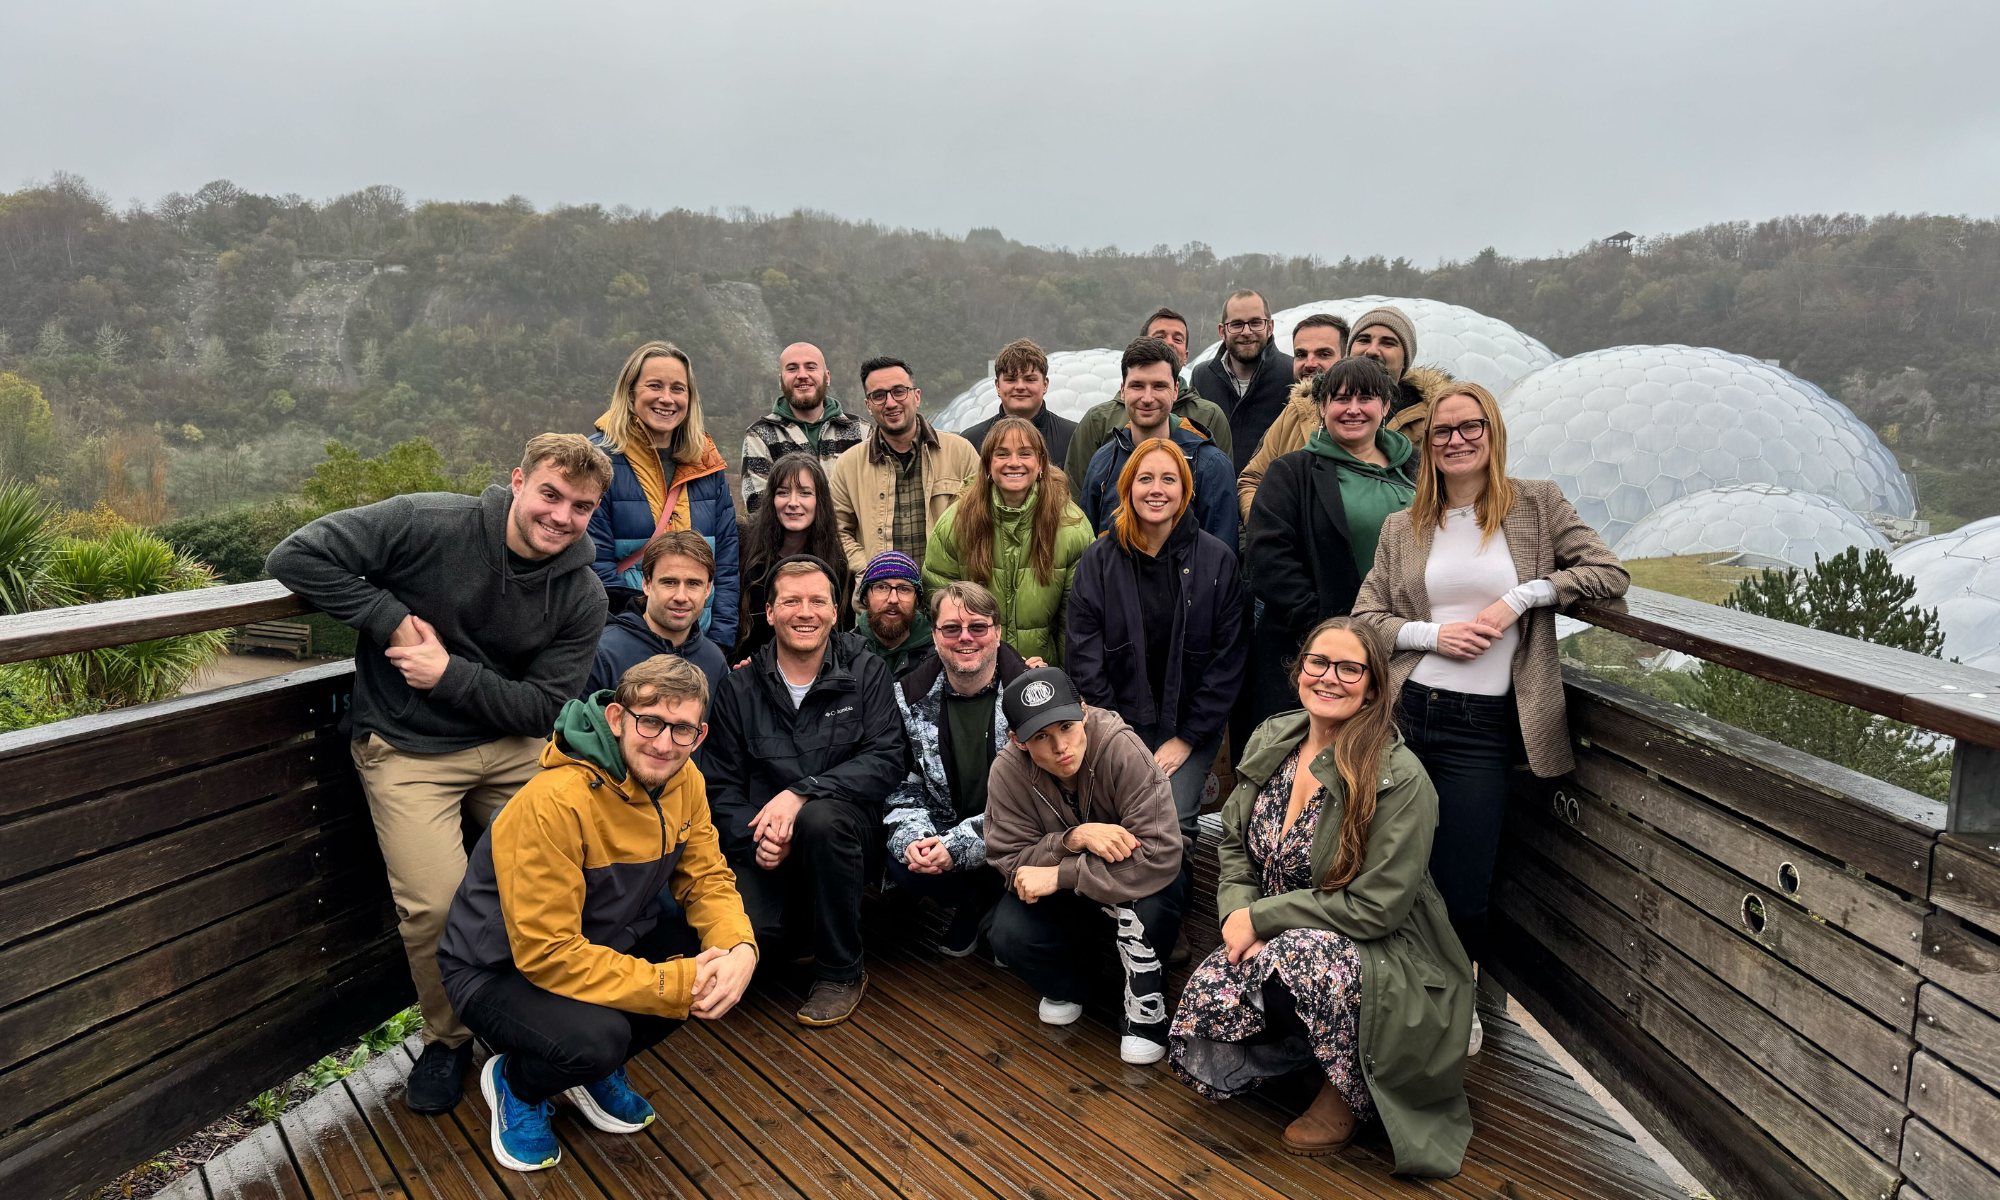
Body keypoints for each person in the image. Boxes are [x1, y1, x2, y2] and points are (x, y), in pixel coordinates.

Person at [265, 434, 612, 1114]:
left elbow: (543, 708)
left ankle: (557, 1027)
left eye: (581, 506)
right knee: (436, 903)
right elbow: (295, 555)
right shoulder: (429, 523)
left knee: (579, 870)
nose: (561, 516)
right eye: (550, 494)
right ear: (518, 481)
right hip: (407, 747)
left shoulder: (583, 593)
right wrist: (390, 621)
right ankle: (447, 1040)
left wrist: (448, 673)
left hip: (511, 746)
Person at [1169, 618, 1473, 1173]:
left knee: (1300, 963)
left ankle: (1348, 1090)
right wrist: (1238, 912)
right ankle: (1311, 1048)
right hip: (1287, 930)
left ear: (1374, 686)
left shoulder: (1400, 778)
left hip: (1385, 954)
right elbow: (1235, 841)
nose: (1330, 678)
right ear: (1299, 669)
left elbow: (1376, 908)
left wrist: (1262, 918)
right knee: (1211, 992)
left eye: (1350, 668)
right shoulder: (1274, 737)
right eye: (1318, 662)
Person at [435, 656, 756, 1171]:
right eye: (649, 721)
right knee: (597, 1039)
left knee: (708, 963)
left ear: (700, 733)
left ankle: (591, 1071)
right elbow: (546, 952)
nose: (663, 743)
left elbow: (707, 878)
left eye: (682, 730)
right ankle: (517, 1082)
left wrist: (739, 948)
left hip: (600, 941)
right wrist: (670, 983)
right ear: (617, 718)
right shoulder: (555, 801)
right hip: (497, 968)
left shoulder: (684, 780)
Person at [1353, 382, 1628, 977]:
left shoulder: (1536, 504)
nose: (1456, 440)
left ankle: (1454, 1002)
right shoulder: (1404, 526)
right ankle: (1392, 995)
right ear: (1427, 446)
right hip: (1408, 714)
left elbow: (1608, 573)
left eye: (1469, 426)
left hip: (1484, 725)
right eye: (1443, 431)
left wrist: (1522, 598)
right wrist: (1432, 635)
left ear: (1492, 431)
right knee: (1394, 865)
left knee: (1463, 876)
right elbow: (1364, 619)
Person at [703, 556, 907, 1026]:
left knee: (820, 818)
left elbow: (886, 760)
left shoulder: (866, 671)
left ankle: (841, 971)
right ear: (770, 612)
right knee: (756, 938)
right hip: (764, 839)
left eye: (818, 601)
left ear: (836, 612)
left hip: (846, 833)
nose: (805, 612)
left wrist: (802, 794)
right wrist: (761, 835)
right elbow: (719, 786)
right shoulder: (739, 687)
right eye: (791, 601)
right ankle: (800, 930)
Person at [984, 668, 1187, 1065]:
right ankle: (1078, 984)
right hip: (1072, 897)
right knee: (1006, 932)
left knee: (1154, 904)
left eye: (1066, 726)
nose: (1061, 746)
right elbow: (1010, 861)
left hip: (1137, 881)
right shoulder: (1006, 772)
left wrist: (1063, 871)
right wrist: (1072, 839)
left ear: (1084, 712)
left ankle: (1146, 999)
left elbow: (1159, 852)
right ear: (1018, 741)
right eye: (1041, 736)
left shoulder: (1121, 747)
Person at [1068, 438, 1246, 859]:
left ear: (1185, 491)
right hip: (1116, 722)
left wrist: (1187, 738)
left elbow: (1229, 660)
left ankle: (1166, 917)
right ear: (1127, 487)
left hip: (1190, 724)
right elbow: (1083, 654)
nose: (1156, 489)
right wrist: (1116, 735)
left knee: (1171, 819)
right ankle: (1117, 908)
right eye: (1145, 478)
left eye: (1169, 479)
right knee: (1116, 816)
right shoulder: (1099, 559)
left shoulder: (1217, 560)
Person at [1243, 357, 1418, 725]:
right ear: (1322, 408)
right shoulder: (1291, 473)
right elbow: (1269, 562)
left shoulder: (1417, 469)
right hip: (1317, 656)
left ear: (1386, 406)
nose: (1353, 409)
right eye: (1340, 399)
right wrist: (1333, 634)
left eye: (1366, 398)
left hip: (1405, 651)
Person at [882, 581, 1028, 955]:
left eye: (977, 627)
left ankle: (1000, 909)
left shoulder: (1029, 693)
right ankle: (973, 905)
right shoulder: (909, 695)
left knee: (1011, 941)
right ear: (934, 635)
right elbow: (903, 781)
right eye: (951, 628)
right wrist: (915, 841)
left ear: (997, 632)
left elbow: (1036, 800)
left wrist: (959, 846)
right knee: (903, 865)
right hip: (946, 823)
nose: (965, 638)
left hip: (1019, 834)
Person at [587, 341, 741, 652]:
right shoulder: (599, 460)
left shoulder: (706, 464)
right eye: (654, 386)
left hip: (699, 643)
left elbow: (724, 563)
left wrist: (721, 642)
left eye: (678, 389)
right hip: (623, 641)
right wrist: (630, 631)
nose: (666, 399)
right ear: (630, 393)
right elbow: (594, 562)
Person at [922, 417, 1093, 666]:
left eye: (1025, 454)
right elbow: (942, 605)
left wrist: (1064, 682)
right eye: (1002, 454)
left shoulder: (1071, 526)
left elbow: (1075, 623)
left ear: (1041, 463)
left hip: (1043, 674)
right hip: (974, 670)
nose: (1014, 463)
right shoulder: (955, 523)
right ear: (988, 465)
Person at [1080, 337, 1239, 554]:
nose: (1147, 398)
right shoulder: (1103, 462)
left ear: (1175, 391)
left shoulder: (1210, 465)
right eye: (1137, 385)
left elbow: (1222, 564)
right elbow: (1087, 551)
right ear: (1123, 390)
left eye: (1158, 386)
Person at [829, 356, 979, 577]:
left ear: (916, 397)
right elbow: (837, 530)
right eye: (879, 396)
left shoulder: (961, 453)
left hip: (949, 599)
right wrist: (872, 570)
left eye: (899, 391)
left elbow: (982, 519)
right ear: (868, 406)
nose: (890, 403)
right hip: (879, 600)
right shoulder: (848, 466)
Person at [1065, 307, 1232, 489]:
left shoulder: (1209, 415)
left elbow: (1220, 484)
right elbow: (1076, 490)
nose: (1169, 343)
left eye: (1178, 339)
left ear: (1186, 356)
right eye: (1159, 337)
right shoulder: (1099, 419)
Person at [736, 453, 850, 662]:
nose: (793, 503)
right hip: (744, 670)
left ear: (820, 500)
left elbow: (837, 631)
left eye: (805, 493)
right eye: (783, 492)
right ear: (772, 499)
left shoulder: (834, 560)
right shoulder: (743, 545)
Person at [586, 530, 728, 697]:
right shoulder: (603, 653)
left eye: (693, 584)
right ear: (646, 584)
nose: (681, 597)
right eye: (669, 582)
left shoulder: (715, 661)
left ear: (708, 589)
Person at [742, 341, 870, 514]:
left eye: (810, 367)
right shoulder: (760, 435)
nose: (802, 375)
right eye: (792, 368)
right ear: (781, 381)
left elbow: (873, 499)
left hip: (850, 541)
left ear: (827, 377)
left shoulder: (861, 432)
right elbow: (758, 509)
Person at [1191, 290, 1296, 471]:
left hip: (1271, 495)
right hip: (1213, 494)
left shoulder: (1292, 375)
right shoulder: (1202, 377)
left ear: (1270, 327)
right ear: (1222, 331)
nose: (1246, 332)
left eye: (1255, 323)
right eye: (1237, 324)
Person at [962, 338, 1077, 473]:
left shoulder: (1074, 438)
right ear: (998, 386)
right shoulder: (971, 442)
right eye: (1011, 379)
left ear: (1045, 385)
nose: (1020, 386)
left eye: (1030, 379)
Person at [1346, 306, 1441, 442]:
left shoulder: (1435, 421)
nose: (1372, 350)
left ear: (1405, 361)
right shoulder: (1308, 412)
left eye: (1387, 343)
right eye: (1364, 340)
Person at [854, 550, 935, 676]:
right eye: (882, 587)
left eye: (904, 589)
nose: (893, 599)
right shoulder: (846, 653)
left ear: (916, 600)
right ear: (865, 598)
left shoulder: (938, 656)